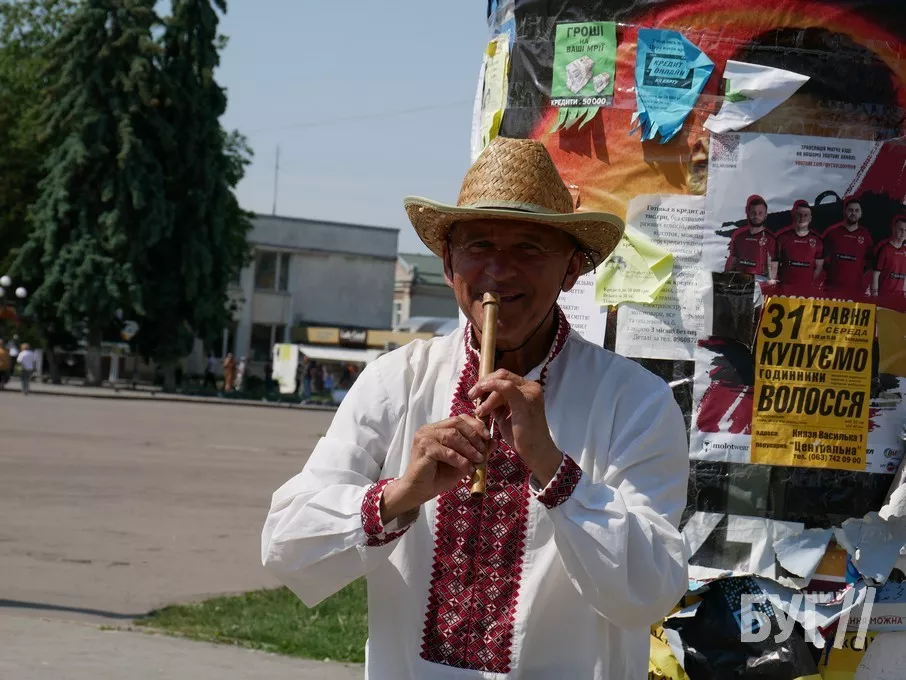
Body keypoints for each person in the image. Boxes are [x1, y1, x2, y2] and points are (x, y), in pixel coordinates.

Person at [261, 137, 689, 679]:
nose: (498, 272)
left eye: (529, 248)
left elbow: (651, 591)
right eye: (479, 245)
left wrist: (554, 470)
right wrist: (400, 494)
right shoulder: (395, 381)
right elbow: (287, 544)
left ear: (571, 269)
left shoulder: (634, 401)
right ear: (448, 263)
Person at [823, 197, 874, 295]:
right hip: (832, 288)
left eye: (857, 210)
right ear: (844, 212)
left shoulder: (865, 236)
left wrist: (859, 271)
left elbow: (870, 261)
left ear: (861, 214)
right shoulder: (832, 233)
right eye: (850, 210)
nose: (853, 213)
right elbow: (820, 257)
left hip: (855, 289)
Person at [725, 195, 776, 279]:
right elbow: (732, 263)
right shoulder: (738, 236)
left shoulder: (771, 239)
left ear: (765, 215)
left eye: (760, 213)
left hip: (759, 282)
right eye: (753, 212)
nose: (756, 216)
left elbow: (773, 269)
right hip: (739, 281)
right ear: (748, 213)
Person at [776, 200, 824, 288]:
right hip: (785, 288)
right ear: (794, 215)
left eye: (806, 215)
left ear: (810, 218)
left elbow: (819, 267)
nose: (802, 218)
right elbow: (774, 263)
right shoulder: (782, 237)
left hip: (806, 288)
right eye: (799, 215)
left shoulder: (817, 240)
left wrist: (808, 281)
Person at [873, 215, 906, 297]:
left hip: (900, 297)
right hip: (884, 295)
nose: (903, 232)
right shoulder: (885, 249)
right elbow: (876, 274)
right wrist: (875, 293)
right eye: (901, 229)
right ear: (894, 229)